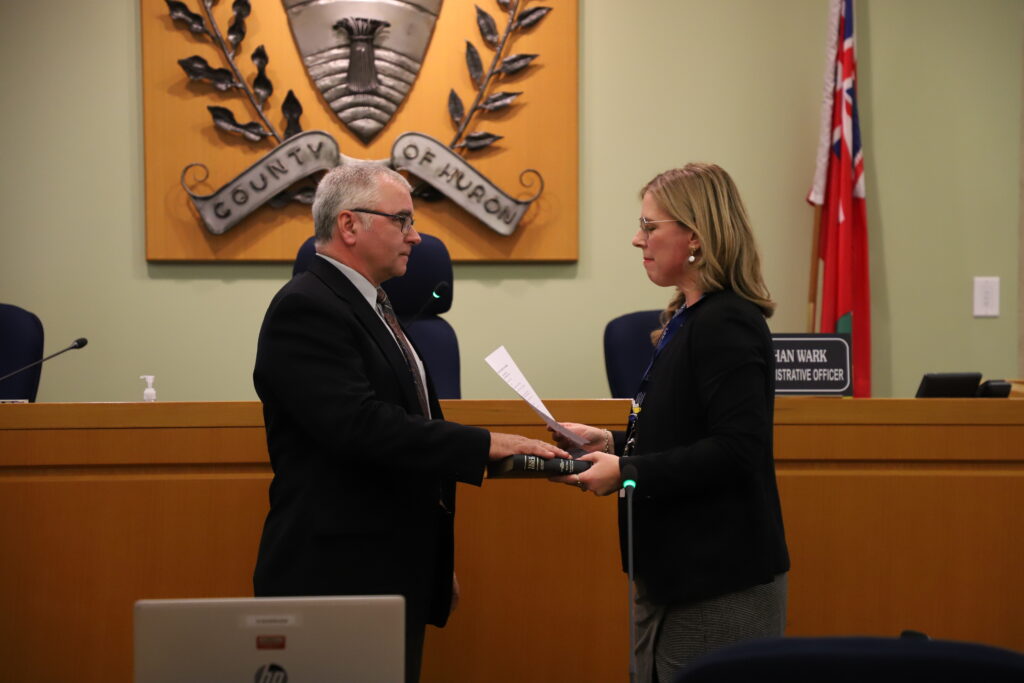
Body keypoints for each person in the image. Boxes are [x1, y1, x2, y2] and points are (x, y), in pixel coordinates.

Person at [253, 161, 565, 683]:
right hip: (334, 577)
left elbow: (404, 429)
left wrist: (429, 558)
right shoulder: (306, 308)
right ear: (350, 225)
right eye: (402, 220)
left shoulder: (376, 305)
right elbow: (360, 426)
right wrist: (481, 442)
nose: (416, 237)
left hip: (386, 566)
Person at [551, 163, 790, 682]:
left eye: (650, 226)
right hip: (673, 570)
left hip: (716, 578)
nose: (637, 239)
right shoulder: (687, 317)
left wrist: (628, 469)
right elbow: (686, 429)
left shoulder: (728, 323)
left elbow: (736, 450)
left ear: (696, 238)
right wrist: (612, 440)